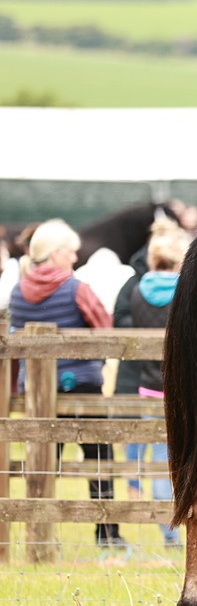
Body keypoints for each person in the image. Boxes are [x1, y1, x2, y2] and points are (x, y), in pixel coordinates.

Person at [9, 220, 122, 547]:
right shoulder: (76, 289)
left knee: (43, 464)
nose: (74, 258)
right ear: (56, 254)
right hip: (82, 385)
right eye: (70, 253)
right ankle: (107, 535)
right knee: (99, 459)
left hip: (36, 392)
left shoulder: (18, 291)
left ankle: (39, 538)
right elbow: (106, 329)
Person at [126, 220, 191, 548]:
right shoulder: (185, 291)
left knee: (155, 458)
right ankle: (176, 530)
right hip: (180, 388)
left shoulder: (138, 291)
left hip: (147, 385)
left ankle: (166, 528)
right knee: (182, 458)